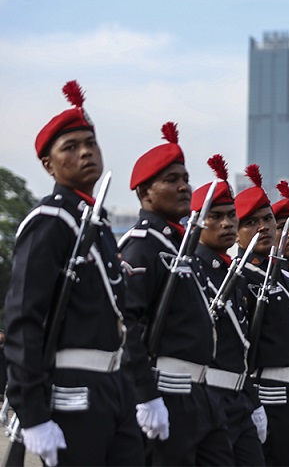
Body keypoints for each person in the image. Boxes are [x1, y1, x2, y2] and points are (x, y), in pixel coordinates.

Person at [5, 81, 153, 466]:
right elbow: (24, 321)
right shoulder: (49, 221)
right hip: (71, 390)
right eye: (70, 147)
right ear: (49, 165)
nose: (86, 151)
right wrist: (33, 414)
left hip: (116, 388)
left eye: (90, 142)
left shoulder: (97, 227)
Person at [120, 121, 233, 465]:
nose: (184, 187)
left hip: (202, 394)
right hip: (166, 391)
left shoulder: (182, 249)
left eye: (185, 179)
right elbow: (127, 325)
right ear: (145, 192)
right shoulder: (142, 247)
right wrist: (145, 395)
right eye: (171, 180)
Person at [235, 172, 289, 466]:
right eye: (251, 223)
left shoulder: (288, 278)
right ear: (236, 233)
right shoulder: (239, 278)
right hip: (271, 393)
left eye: (268, 220)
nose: (263, 228)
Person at [193, 155, 266, 466]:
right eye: (215, 216)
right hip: (207, 396)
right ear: (196, 221)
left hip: (239, 398)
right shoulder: (190, 270)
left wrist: (252, 400)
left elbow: (240, 349)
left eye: (230, 216)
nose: (226, 223)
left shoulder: (230, 275)